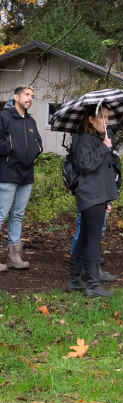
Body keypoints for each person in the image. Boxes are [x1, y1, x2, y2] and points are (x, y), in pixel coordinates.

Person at [67, 105, 120, 297]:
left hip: (97, 195)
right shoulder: (85, 139)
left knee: (84, 237)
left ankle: (75, 281)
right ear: (90, 119)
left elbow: (102, 173)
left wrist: (107, 198)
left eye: (108, 118)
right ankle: (93, 285)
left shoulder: (95, 139)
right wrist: (103, 148)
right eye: (103, 117)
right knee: (92, 239)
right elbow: (84, 164)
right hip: (90, 195)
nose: (107, 122)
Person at [0, 85, 42, 272]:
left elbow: (38, 143)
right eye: (26, 95)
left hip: (26, 175)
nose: (30, 98)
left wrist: (36, 150)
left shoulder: (30, 121)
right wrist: (9, 148)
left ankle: (14, 256)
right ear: (15, 96)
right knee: (1, 214)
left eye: (32, 96)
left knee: (17, 215)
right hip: (8, 172)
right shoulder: (4, 117)